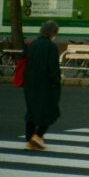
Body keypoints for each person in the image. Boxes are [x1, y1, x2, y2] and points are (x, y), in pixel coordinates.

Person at [23, 20, 61, 151]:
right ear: (53, 33)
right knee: (51, 111)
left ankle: (29, 140)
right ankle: (38, 135)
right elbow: (53, 68)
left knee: (32, 111)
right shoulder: (51, 47)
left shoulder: (32, 44)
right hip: (45, 84)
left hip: (30, 82)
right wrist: (56, 82)